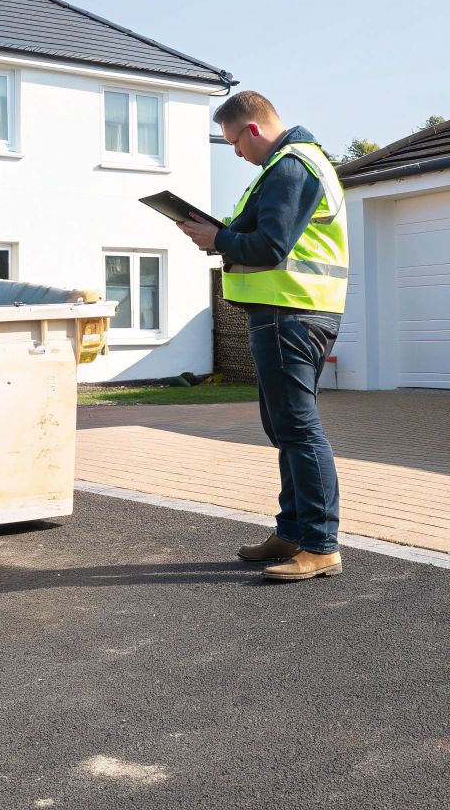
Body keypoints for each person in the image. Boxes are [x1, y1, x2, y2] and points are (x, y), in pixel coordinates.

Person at [176, 91, 349, 582]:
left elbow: (271, 246)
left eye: (234, 142)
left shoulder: (291, 167)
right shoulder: (289, 165)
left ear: (252, 129)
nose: (235, 153)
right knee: (286, 429)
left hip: (290, 312)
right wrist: (223, 235)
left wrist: (218, 239)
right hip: (290, 312)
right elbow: (265, 237)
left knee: (298, 429)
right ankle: (292, 532)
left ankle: (320, 546)